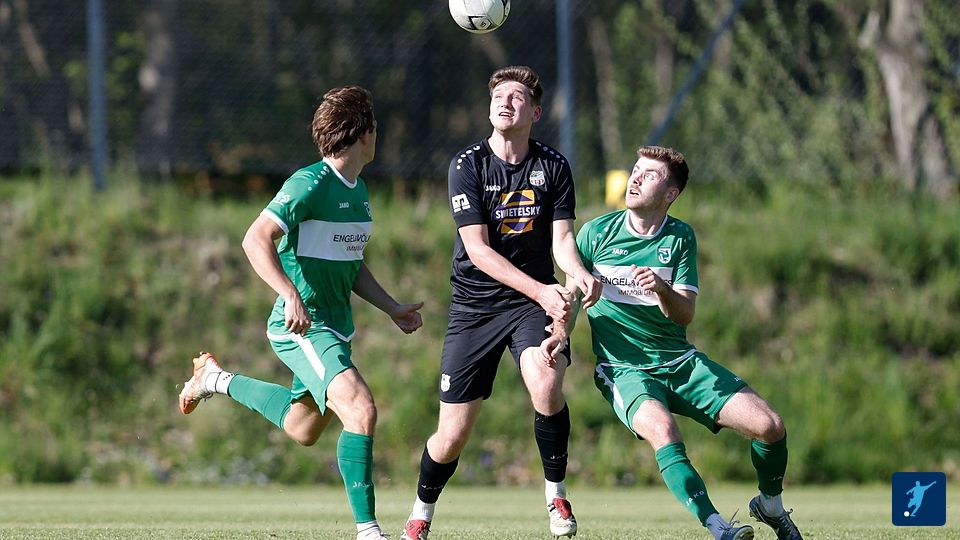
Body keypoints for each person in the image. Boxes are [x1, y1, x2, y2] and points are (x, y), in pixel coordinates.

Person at [177, 85, 423, 540]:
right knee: (361, 409)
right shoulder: (308, 183)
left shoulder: (358, 188)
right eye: (374, 126)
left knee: (302, 427)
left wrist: (392, 308)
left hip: (335, 328)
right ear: (363, 133)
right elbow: (255, 238)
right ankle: (368, 530)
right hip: (305, 326)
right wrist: (289, 293)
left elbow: (350, 263)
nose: (378, 133)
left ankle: (213, 379)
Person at [542, 146, 804, 540]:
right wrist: (561, 331)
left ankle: (771, 505)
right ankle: (718, 526)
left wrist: (663, 290)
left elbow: (685, 314)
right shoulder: (596, 233)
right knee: (664, 431)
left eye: (649, 174)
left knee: (770, 426)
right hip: (623, 369)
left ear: (671, 193)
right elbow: (574, 295)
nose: (635, 178)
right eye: (636, 170)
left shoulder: (680, 237)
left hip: (680, 362)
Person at [400, 65, 601, 540]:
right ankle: (421, 512)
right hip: (475, 308)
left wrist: (576, 273)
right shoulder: (467, 165)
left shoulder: (554, 166)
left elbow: (563, 240)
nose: (505, 102)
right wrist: (543, 290)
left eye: (516, 97)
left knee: (547, 385)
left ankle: (556, 495)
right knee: (451, 436)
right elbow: (478, 251)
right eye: (498, 96)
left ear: (536, 112)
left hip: (530, 306)